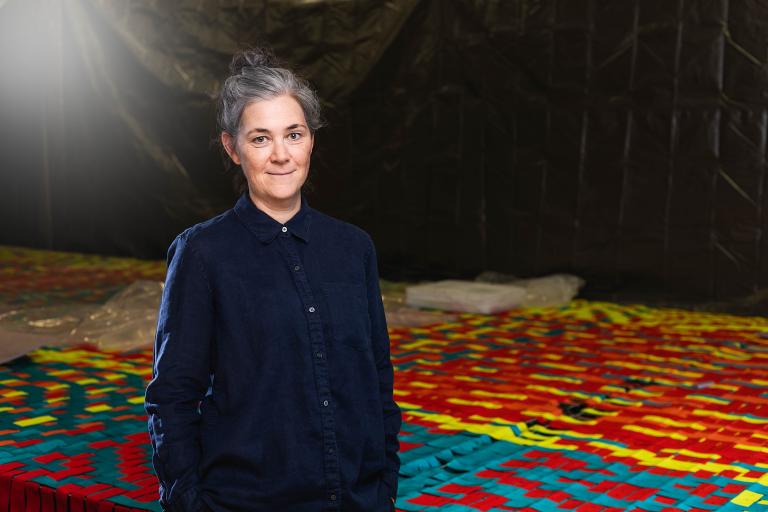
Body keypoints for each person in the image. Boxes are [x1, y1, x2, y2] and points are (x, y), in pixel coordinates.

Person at [144, 48, 402, 512]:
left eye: (294, 134)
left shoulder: (353, 247)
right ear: (232, 148)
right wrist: (188, 499)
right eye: (260, 138)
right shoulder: (203, 253)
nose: (281, 155)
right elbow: (172, 394)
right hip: (248, 500)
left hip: (356, 499)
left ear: (311, 141)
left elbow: (377, 377)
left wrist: (382, 486)